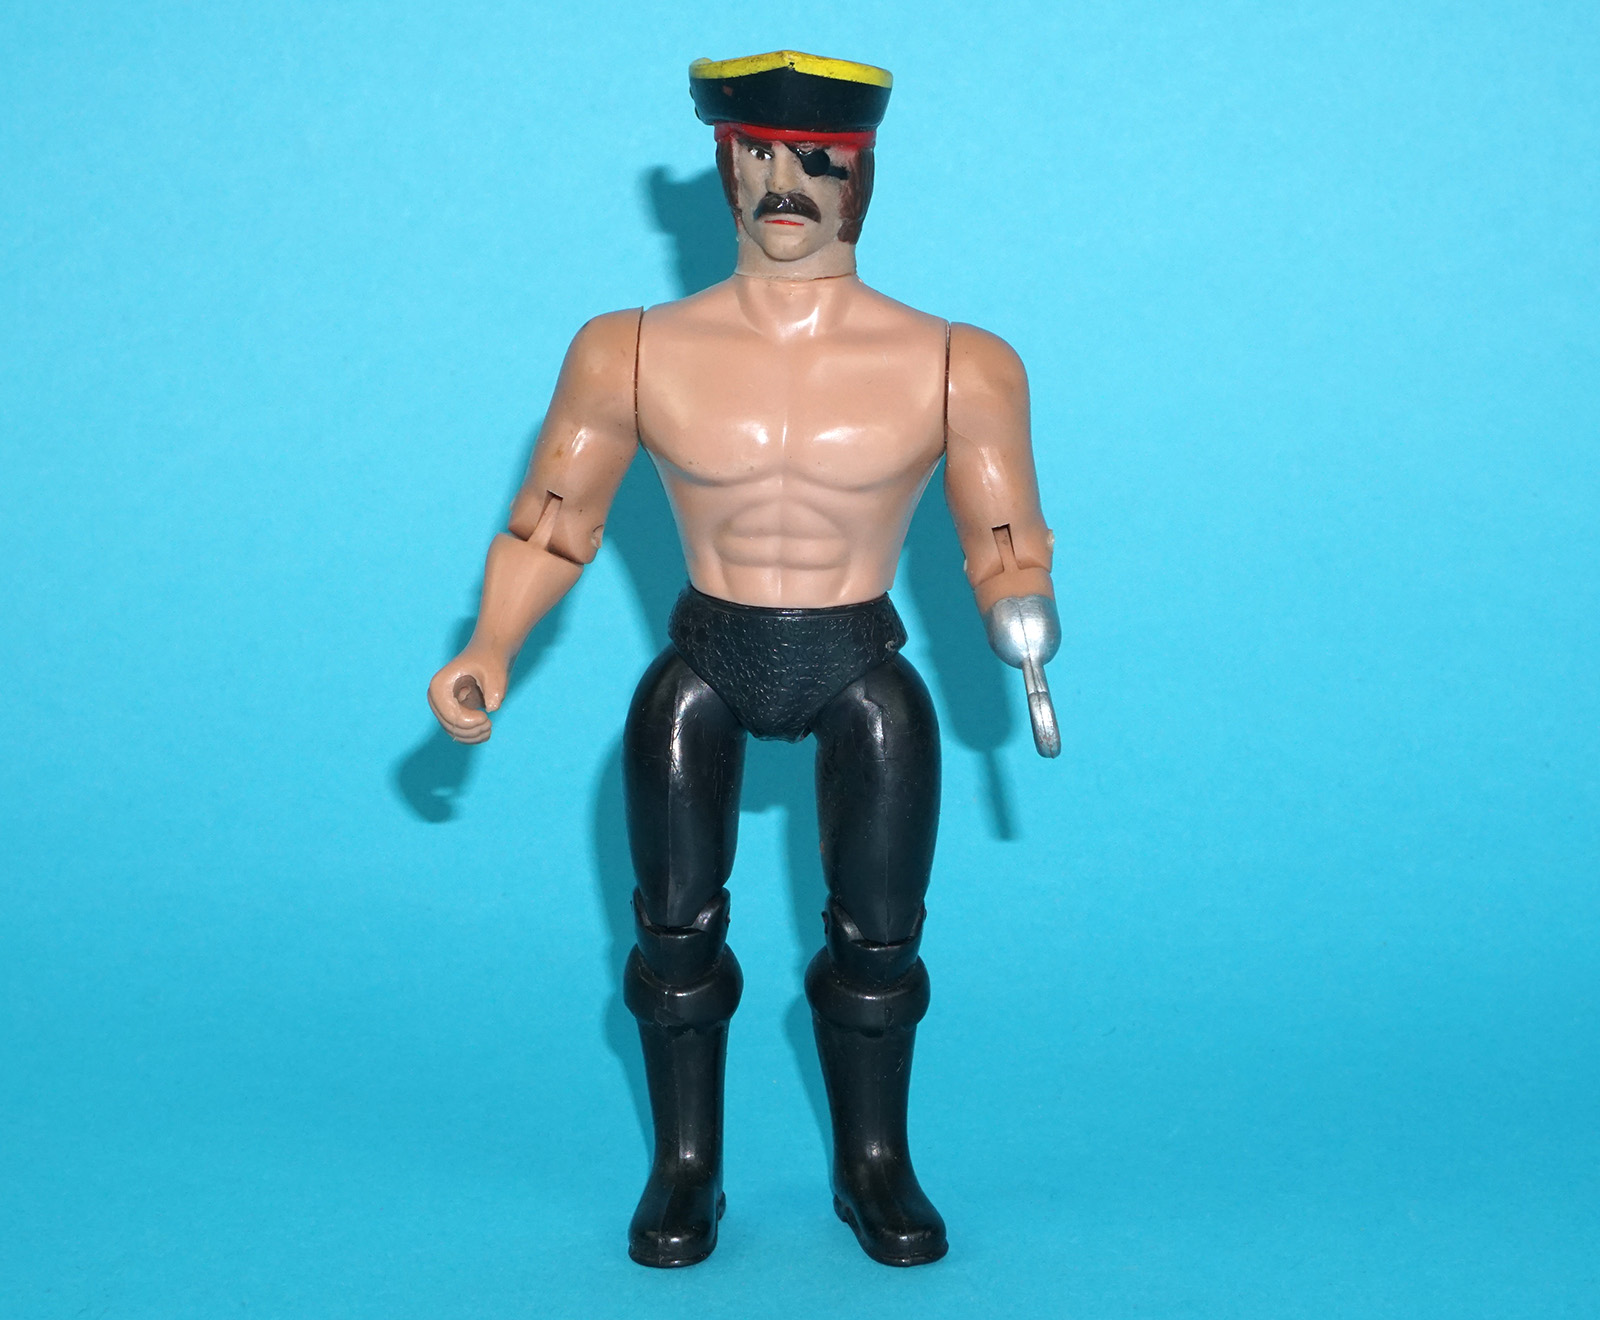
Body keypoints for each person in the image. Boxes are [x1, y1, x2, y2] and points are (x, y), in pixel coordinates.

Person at [426, 50, 1060, 1269]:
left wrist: (1020, 614)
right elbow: (554, 520)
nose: (785, 184)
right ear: (722, 166)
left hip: (856, 653)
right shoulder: (631, 351)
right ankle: (685, 1166)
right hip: (707, 654)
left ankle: (874, 1162)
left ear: (861, 176)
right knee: (672, 933)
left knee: (881, 941)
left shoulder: (954, 362)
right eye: (756, 155)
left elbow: (1002, 535)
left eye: (817, 161)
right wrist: (490, 647)